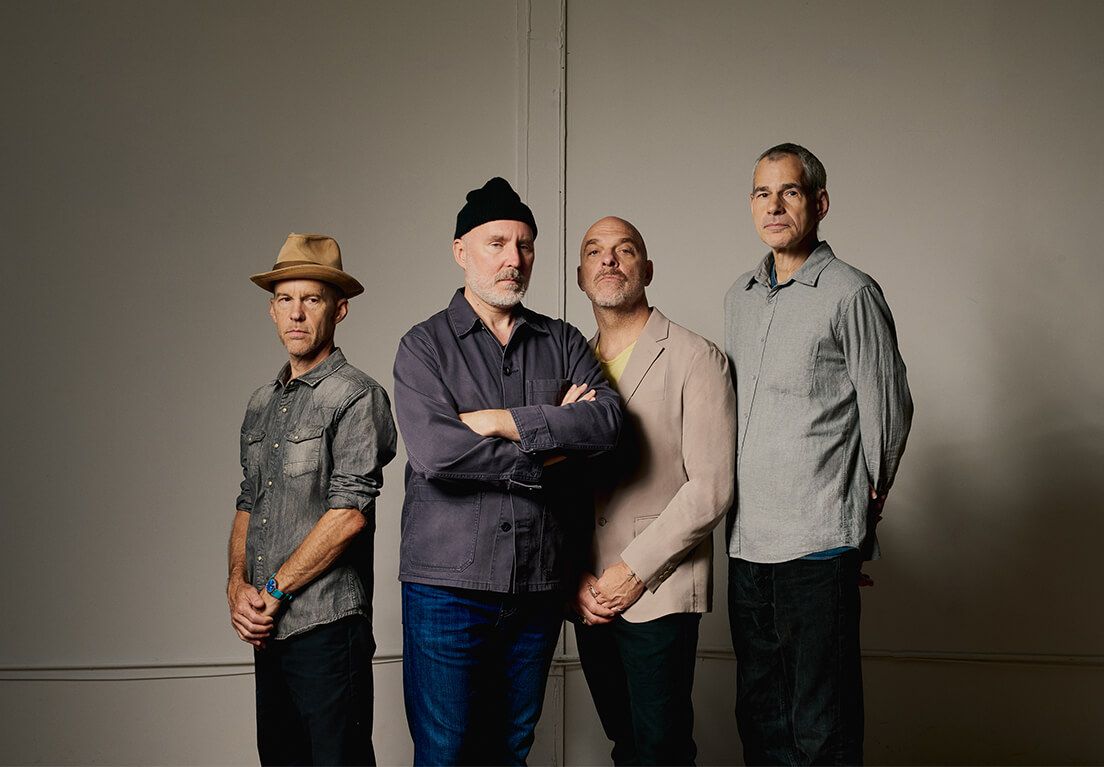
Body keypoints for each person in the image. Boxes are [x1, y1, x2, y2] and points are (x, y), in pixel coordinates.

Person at [392, 177, 623, 765]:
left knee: (512, 750)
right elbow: (437, 454)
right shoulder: (423, 347)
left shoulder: (563, 341)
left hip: (537, 585)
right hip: (447, 589)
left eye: (524, 245)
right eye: (496, 243)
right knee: (445, 753)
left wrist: (500, 421)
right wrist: (551, 450)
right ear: (460, 250)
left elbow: (607, 424)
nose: (513, 259)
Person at [724, 143, 913, 765]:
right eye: (763, 193)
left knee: (821, 724)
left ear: (820, 202)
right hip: (747, 544)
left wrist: (859, 515)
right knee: (761, 718)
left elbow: (888, 412)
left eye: (790, 191)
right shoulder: (740, 296)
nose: (774, 206)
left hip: (818, 540)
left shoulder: (850, 293)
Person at [227, 233, 397, 766]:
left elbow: (349, 516)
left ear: (339, 310)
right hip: (269, 629)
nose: (296, 313)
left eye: (312, 299)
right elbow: (249, 501)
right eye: (285, 299)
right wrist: (237, 586)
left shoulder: (357, 395)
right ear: (272, 311)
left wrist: (275, 588)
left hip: (328, 627)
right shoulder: (261, 403)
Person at [572, 216, 736, 765]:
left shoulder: (697, 357)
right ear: (580, 276)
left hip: (658, 587)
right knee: (624, 745)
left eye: (624, 250)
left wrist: (632, 571)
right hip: (588, 591)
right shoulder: (572, 364)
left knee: (662, 751)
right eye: (595, 251)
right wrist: (575, 576)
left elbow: (710, 488)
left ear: (647, 269)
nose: (609, 259)